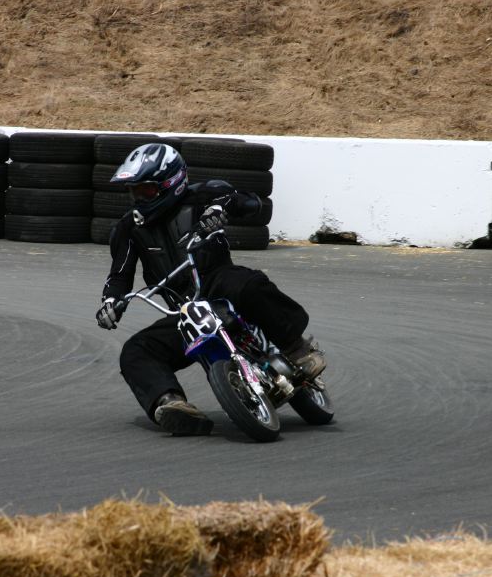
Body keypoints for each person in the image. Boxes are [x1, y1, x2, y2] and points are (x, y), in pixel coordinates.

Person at [95, 143, 325, 436]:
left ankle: (297, 349)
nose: (139, 198)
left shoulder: (205, 196)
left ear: (171, 183)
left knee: (249, 284)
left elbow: (249, 202)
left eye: (146, 190)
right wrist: (111, 302)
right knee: (135, 350)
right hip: (184, 310)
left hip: (219, 283)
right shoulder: (128, 228)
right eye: (134, 191)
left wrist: (221, 208)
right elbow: (119, 274)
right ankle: (170, 403)